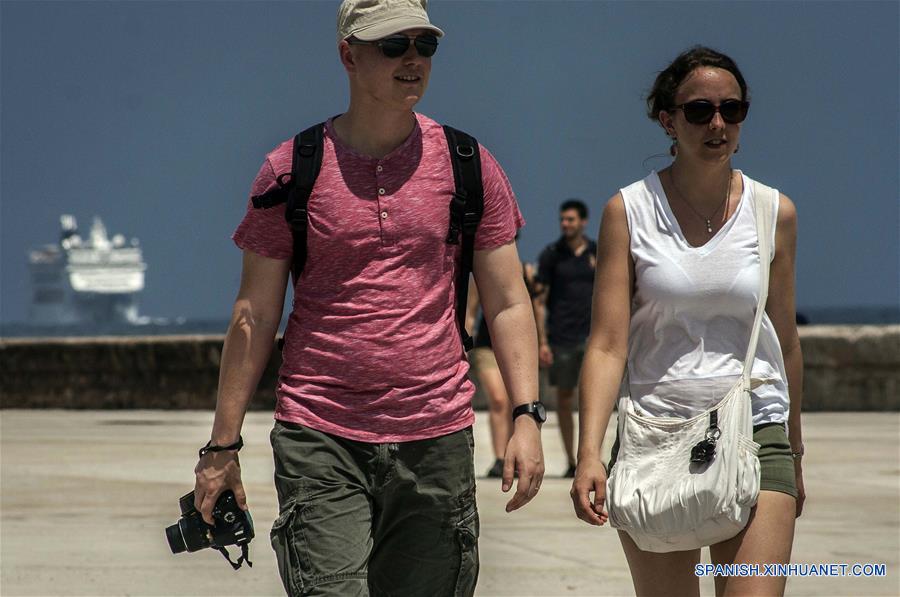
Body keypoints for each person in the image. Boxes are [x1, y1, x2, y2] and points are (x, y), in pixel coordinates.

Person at [192, 1, 545, 595]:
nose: (413, 59)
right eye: (392, 45)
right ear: (348, 55)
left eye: (424, 45)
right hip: (320, 431)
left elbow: (509, 301)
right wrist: (221, 448)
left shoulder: (468, 164)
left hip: (436, 434)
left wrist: (526, 416)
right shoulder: (291, 169)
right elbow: (254, 314)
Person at [570, 46, 806, 597]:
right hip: (656, 434)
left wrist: (794, 449)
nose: (717, 124)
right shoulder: (628, 211)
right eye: (700, 111)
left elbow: (786, 340)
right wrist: (588, 454)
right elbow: (607, 345)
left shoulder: (775, 212)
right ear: (668, 120)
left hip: (757, 428)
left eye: (732, 109)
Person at [534, 199, 596, 477]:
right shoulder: (552, 255)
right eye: (562, 219)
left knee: (594, 398)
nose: (565, 224)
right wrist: (542, 341)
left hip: (594, 337)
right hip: (561, 336)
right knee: (564, 398)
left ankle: (591, 457)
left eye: (570, 219)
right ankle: (572, 460)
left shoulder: (597, 252)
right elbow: (539, 301)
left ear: (583, 221)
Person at [466, 255, 539, 478]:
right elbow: (470, 312)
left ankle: (514, 455)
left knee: (515, 402)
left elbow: (535, 308)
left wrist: (542, 342)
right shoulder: (480, 270)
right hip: (485, 347)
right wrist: (463, 346)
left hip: (514, 347)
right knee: (498, 400)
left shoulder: (526, 271)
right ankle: (499, 458)